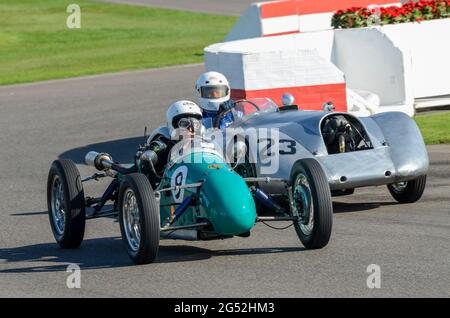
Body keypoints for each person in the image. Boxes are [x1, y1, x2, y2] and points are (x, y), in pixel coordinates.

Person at [142, 100, 204, 186]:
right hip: (166, 186)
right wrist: (151, 154)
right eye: (184, 123)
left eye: (195, 124)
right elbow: (150, 155)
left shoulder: (203, 141)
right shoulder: (163, 143)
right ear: (173, 124)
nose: (191, 129)